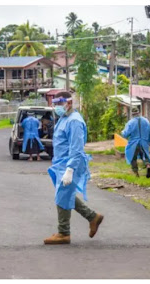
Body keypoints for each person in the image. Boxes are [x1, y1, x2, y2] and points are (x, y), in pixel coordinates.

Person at [44, 92, 103, 245]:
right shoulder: (64, 118)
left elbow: (76, 149)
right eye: (54, 104)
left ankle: (64, 233)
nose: (56, 107)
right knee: (65, 193)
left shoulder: (75, 121)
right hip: (61, 163)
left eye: (59, 104)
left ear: (68, 103)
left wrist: (70, 170)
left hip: (71, 164)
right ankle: (92, 217)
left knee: (62, 195)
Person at [121, 108, 150, 178]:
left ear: (132, 114)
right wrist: (149, 141)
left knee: (132, 157)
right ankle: (148, 166)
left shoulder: (130, 122)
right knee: (145, 156)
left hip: (134, 143)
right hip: (144, 142)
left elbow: (126, 134)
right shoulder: (146, 121)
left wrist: (122, 132)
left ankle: (136, 173)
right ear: (139, 112)